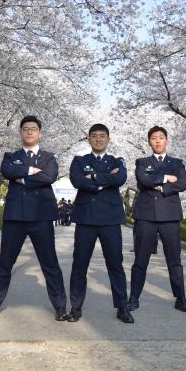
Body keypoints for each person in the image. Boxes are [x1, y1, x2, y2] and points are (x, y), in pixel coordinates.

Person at [0, 116, 68, 322]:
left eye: (33, 129)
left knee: (50, 263)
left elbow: (49, 176)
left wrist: (21, 179)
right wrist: (31, 171)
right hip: (16, 216)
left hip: (41, 216)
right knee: (5, 262)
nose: (29, 132)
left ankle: (60, 306)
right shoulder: (10, 156)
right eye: (25, 129)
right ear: (20, 133)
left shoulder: (49, 157)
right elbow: (7, 171)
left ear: (40, 133)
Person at [67, 123, 134, 323]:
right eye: (94, 136)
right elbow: (77, 181)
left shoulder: (117, 161)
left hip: (110, 220)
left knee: (115, 265)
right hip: (86, 218)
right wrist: (105, 179)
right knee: (80, 264)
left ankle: (122, 307)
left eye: (102, 136)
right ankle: (76, 307)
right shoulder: (79, 160)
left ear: (108, 139)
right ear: (88, 139)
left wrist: (93, 177)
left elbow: (120, 179)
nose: (98, 139)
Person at [128, 126, 186, 313]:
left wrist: (161, 188)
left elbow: (183, 183)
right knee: (140, 259)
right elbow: (143, 180)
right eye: (154, 138)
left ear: (167, 140)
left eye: (161, 138)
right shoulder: (142, 161)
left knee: (175, 260)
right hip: (146, 216)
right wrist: (166, 177)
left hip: (170, 217)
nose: (157, 141)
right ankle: (134, 297)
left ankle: (180, 298)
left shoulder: (177, 163)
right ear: (149, 141)